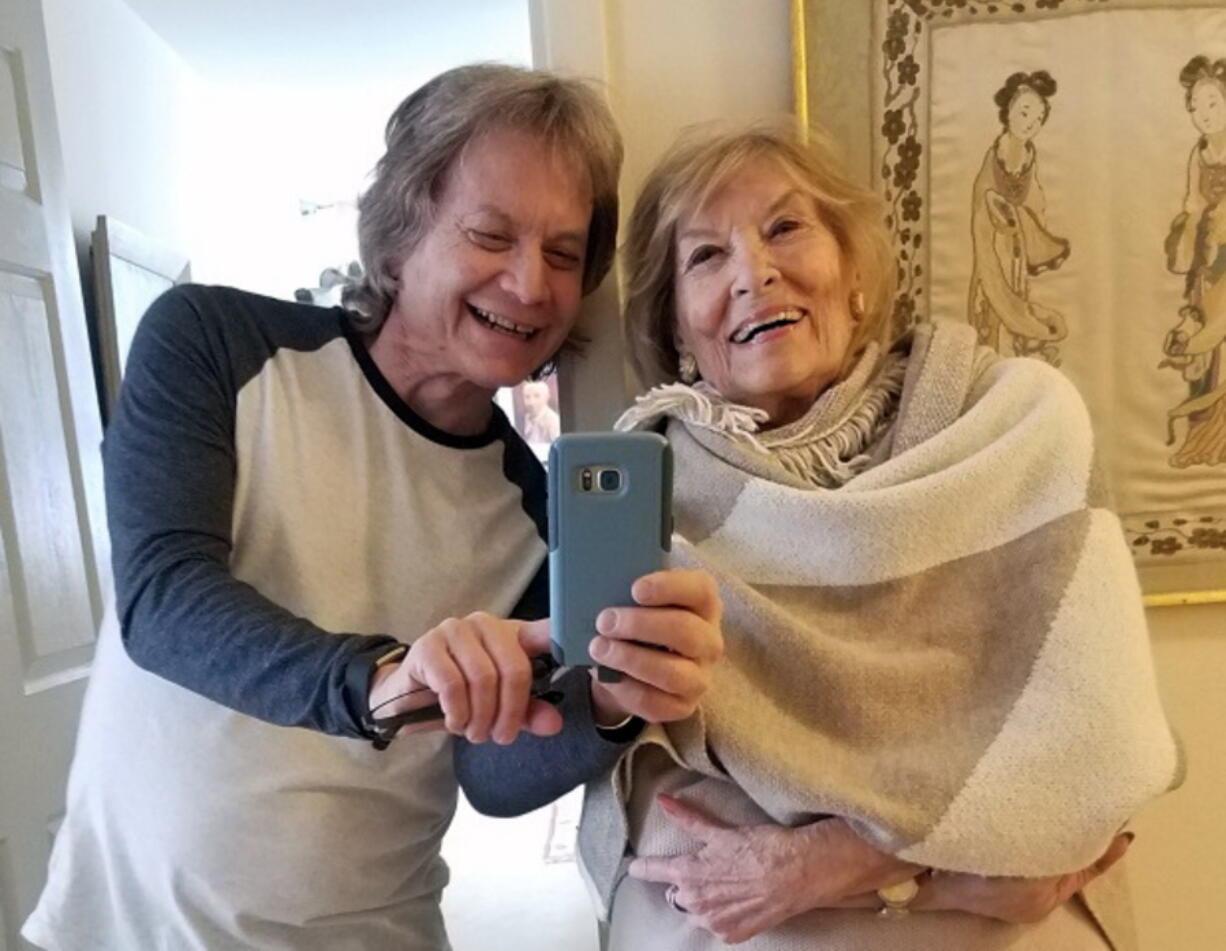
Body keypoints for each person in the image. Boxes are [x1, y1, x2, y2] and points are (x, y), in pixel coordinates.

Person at [22, 64, 723, 951]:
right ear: (398, 236)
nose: (529, 284)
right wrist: (382, 678)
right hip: (115, 930)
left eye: (561, 252)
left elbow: (492, 772)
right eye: (490, 234)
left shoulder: (543, 512)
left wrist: (612, 706)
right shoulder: (211, 342)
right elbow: (163, 598)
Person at [472, 126, 1180, 949]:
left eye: (784, 228)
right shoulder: (642, 498)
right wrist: (970, 860)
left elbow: (1093, 745)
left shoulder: (1018, 427)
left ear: (853, 274)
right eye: (706, 257)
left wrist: (836, 862)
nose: (755, 272)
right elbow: (498, 770)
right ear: (675, 328)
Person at [967, 70, 1069, 365]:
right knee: (992, 313)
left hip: (1016, 253)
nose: (1030, 124)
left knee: (1018, 301)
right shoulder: (994, 156)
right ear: (1007, 111)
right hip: (994, 251)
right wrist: (999, 210)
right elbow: (983, 199)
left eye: (1038, 120)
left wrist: (1031, 221)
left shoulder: (1028, 155)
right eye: (1024, 113)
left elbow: (1035, 199)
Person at [1162, 55, 1226, 467]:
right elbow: (1191, 203)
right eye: (1195, 107)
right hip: (1209, 261)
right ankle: (1202, 440)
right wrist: (1191, 228)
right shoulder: (1198, 153)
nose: (1203, 115)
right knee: (1205, 355)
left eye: (1213, 104)